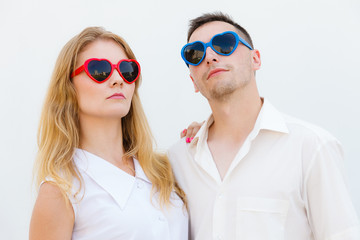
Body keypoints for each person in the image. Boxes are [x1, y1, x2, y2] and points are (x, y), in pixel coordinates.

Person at [168, 12, 360, 240]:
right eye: (195, 53)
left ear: (255, 59)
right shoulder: (177, 160)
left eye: (224, 44)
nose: (209, 56)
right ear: (193, 81)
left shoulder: (310, 147)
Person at [29, 26, 188, 240]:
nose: (118, 79)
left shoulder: (163, 170)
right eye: (99, 70)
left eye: (127, 70)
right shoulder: (60, 191)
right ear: (69, 87)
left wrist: (203, 138)